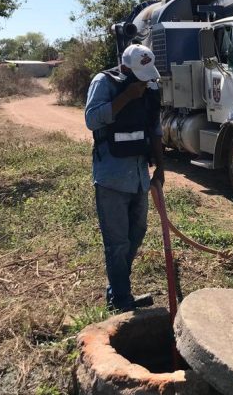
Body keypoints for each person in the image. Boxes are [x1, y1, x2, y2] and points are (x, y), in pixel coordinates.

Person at [85, 44, 165, 312]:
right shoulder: (103, 82)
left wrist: (161, 169)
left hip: (140, 177)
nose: (144, 80)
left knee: (136, 234)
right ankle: (121, 299)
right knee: (117, 243)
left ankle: (118, 292)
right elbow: (92, 120)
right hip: (112, 178)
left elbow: (155, 129)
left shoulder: (149, 88)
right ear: (125, 68)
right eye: (139, 74)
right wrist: (126, 98)